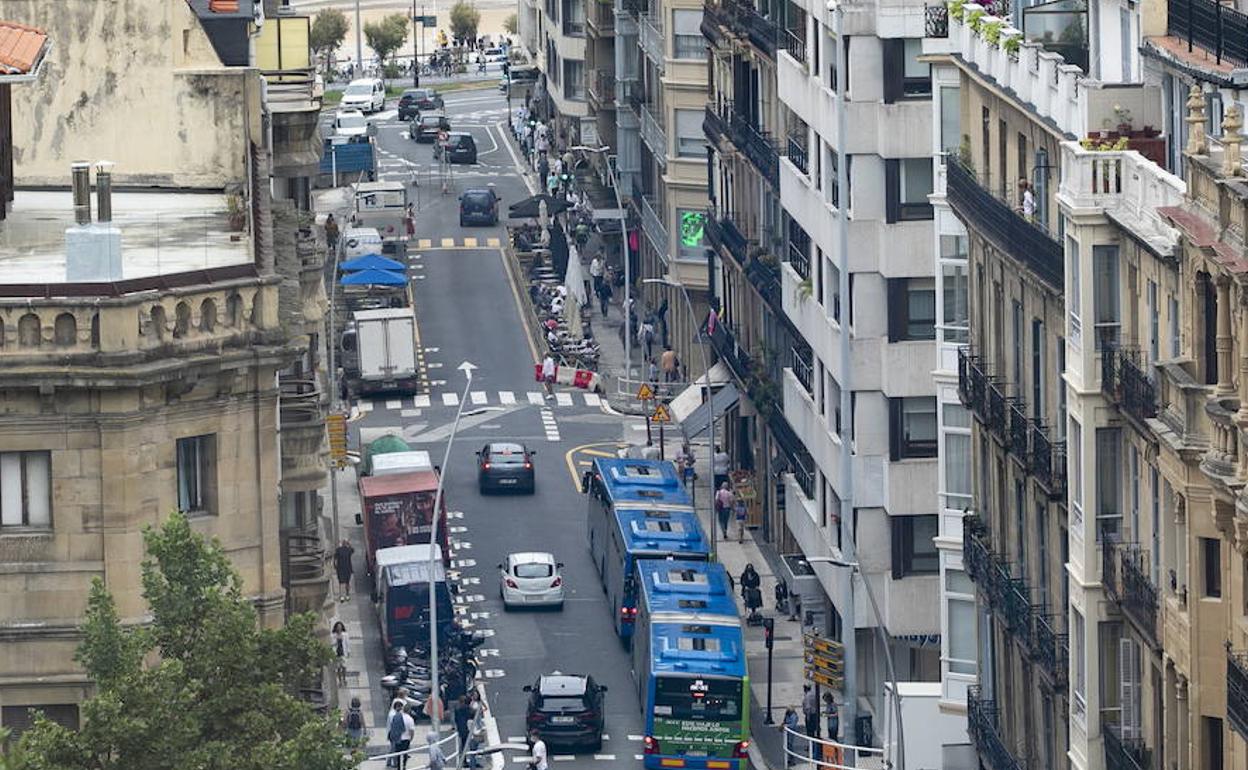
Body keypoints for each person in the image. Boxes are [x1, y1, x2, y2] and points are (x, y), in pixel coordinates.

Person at [387, 699, 407, 769]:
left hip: (391, 733)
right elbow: (394, 725)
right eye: (400, 707)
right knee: (394, 749)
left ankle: (389, 761)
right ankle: (394, 763)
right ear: (397, 707)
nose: (401, 709)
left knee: (392, 748)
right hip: (393, 734)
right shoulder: (393, 715)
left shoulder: (392, 713)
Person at [332, 620, 349, 687]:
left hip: (343, 653)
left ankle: (344, 679)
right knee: (338, 668)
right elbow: (332, 644)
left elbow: (347, 643)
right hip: (337, 653)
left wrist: (348, 651)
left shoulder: (345, 635)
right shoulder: (333, 636)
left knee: (344, 667)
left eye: (340, 626)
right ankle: (340, 681)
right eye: (338, 627)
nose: (339, 628)